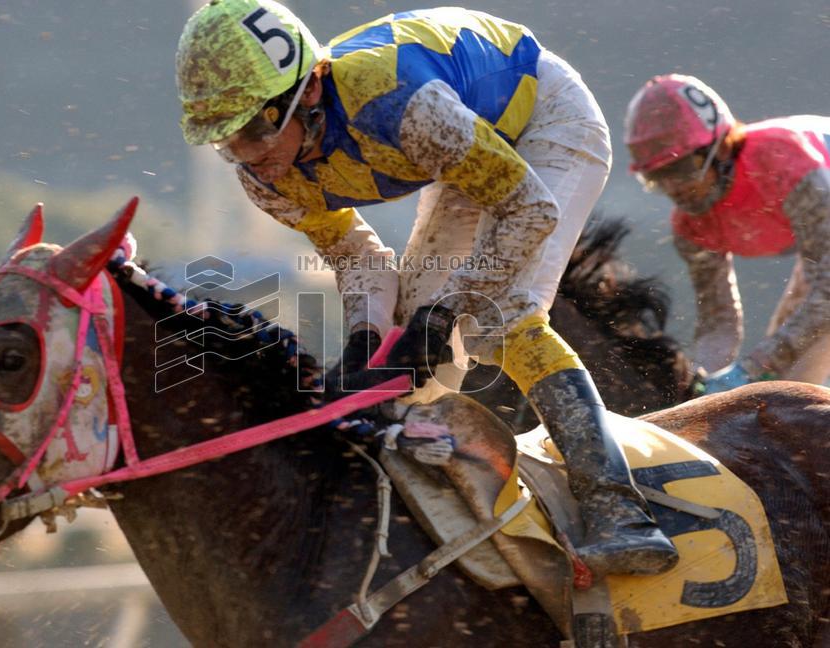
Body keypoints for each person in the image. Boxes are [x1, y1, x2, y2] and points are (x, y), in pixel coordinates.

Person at [176, 0, 677, 577]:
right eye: (227, 141)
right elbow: (356, 256)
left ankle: (619, 507)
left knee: (500, 317)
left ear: (310, 90)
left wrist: (441, 315)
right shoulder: (267, 179)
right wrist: (366, 338)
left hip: (546, 118)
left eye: (257, 130)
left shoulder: (403, 108)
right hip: (464, 151)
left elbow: (529, 208)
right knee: (406, 347)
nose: (250, 157)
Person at [625, 74, 830, 393]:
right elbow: (718, 323)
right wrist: (702, 383)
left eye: (681, 171)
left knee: (790, 381)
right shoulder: (690, 227)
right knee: (781, 387)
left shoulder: (784, 161)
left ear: (721, 148)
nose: (673, 189)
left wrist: (753, 367)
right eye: (658, 178)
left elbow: (827, 293)